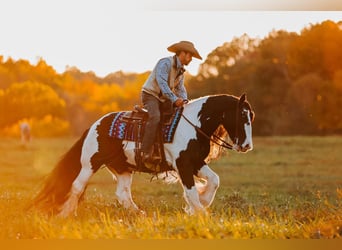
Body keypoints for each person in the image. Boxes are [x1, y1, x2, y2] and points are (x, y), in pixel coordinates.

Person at [140, 40, 202, 163]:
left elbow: (180, 88)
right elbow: (162, 84)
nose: (191, 59)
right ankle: (145, 151)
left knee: (176, 117)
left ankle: (166, 149)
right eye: (190, 56)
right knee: (155, 117)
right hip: (150, 95)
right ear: (183, 53)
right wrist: (174, 100)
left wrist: (184, 101)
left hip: (163, 99)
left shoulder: (181, 71)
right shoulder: (165, 63)